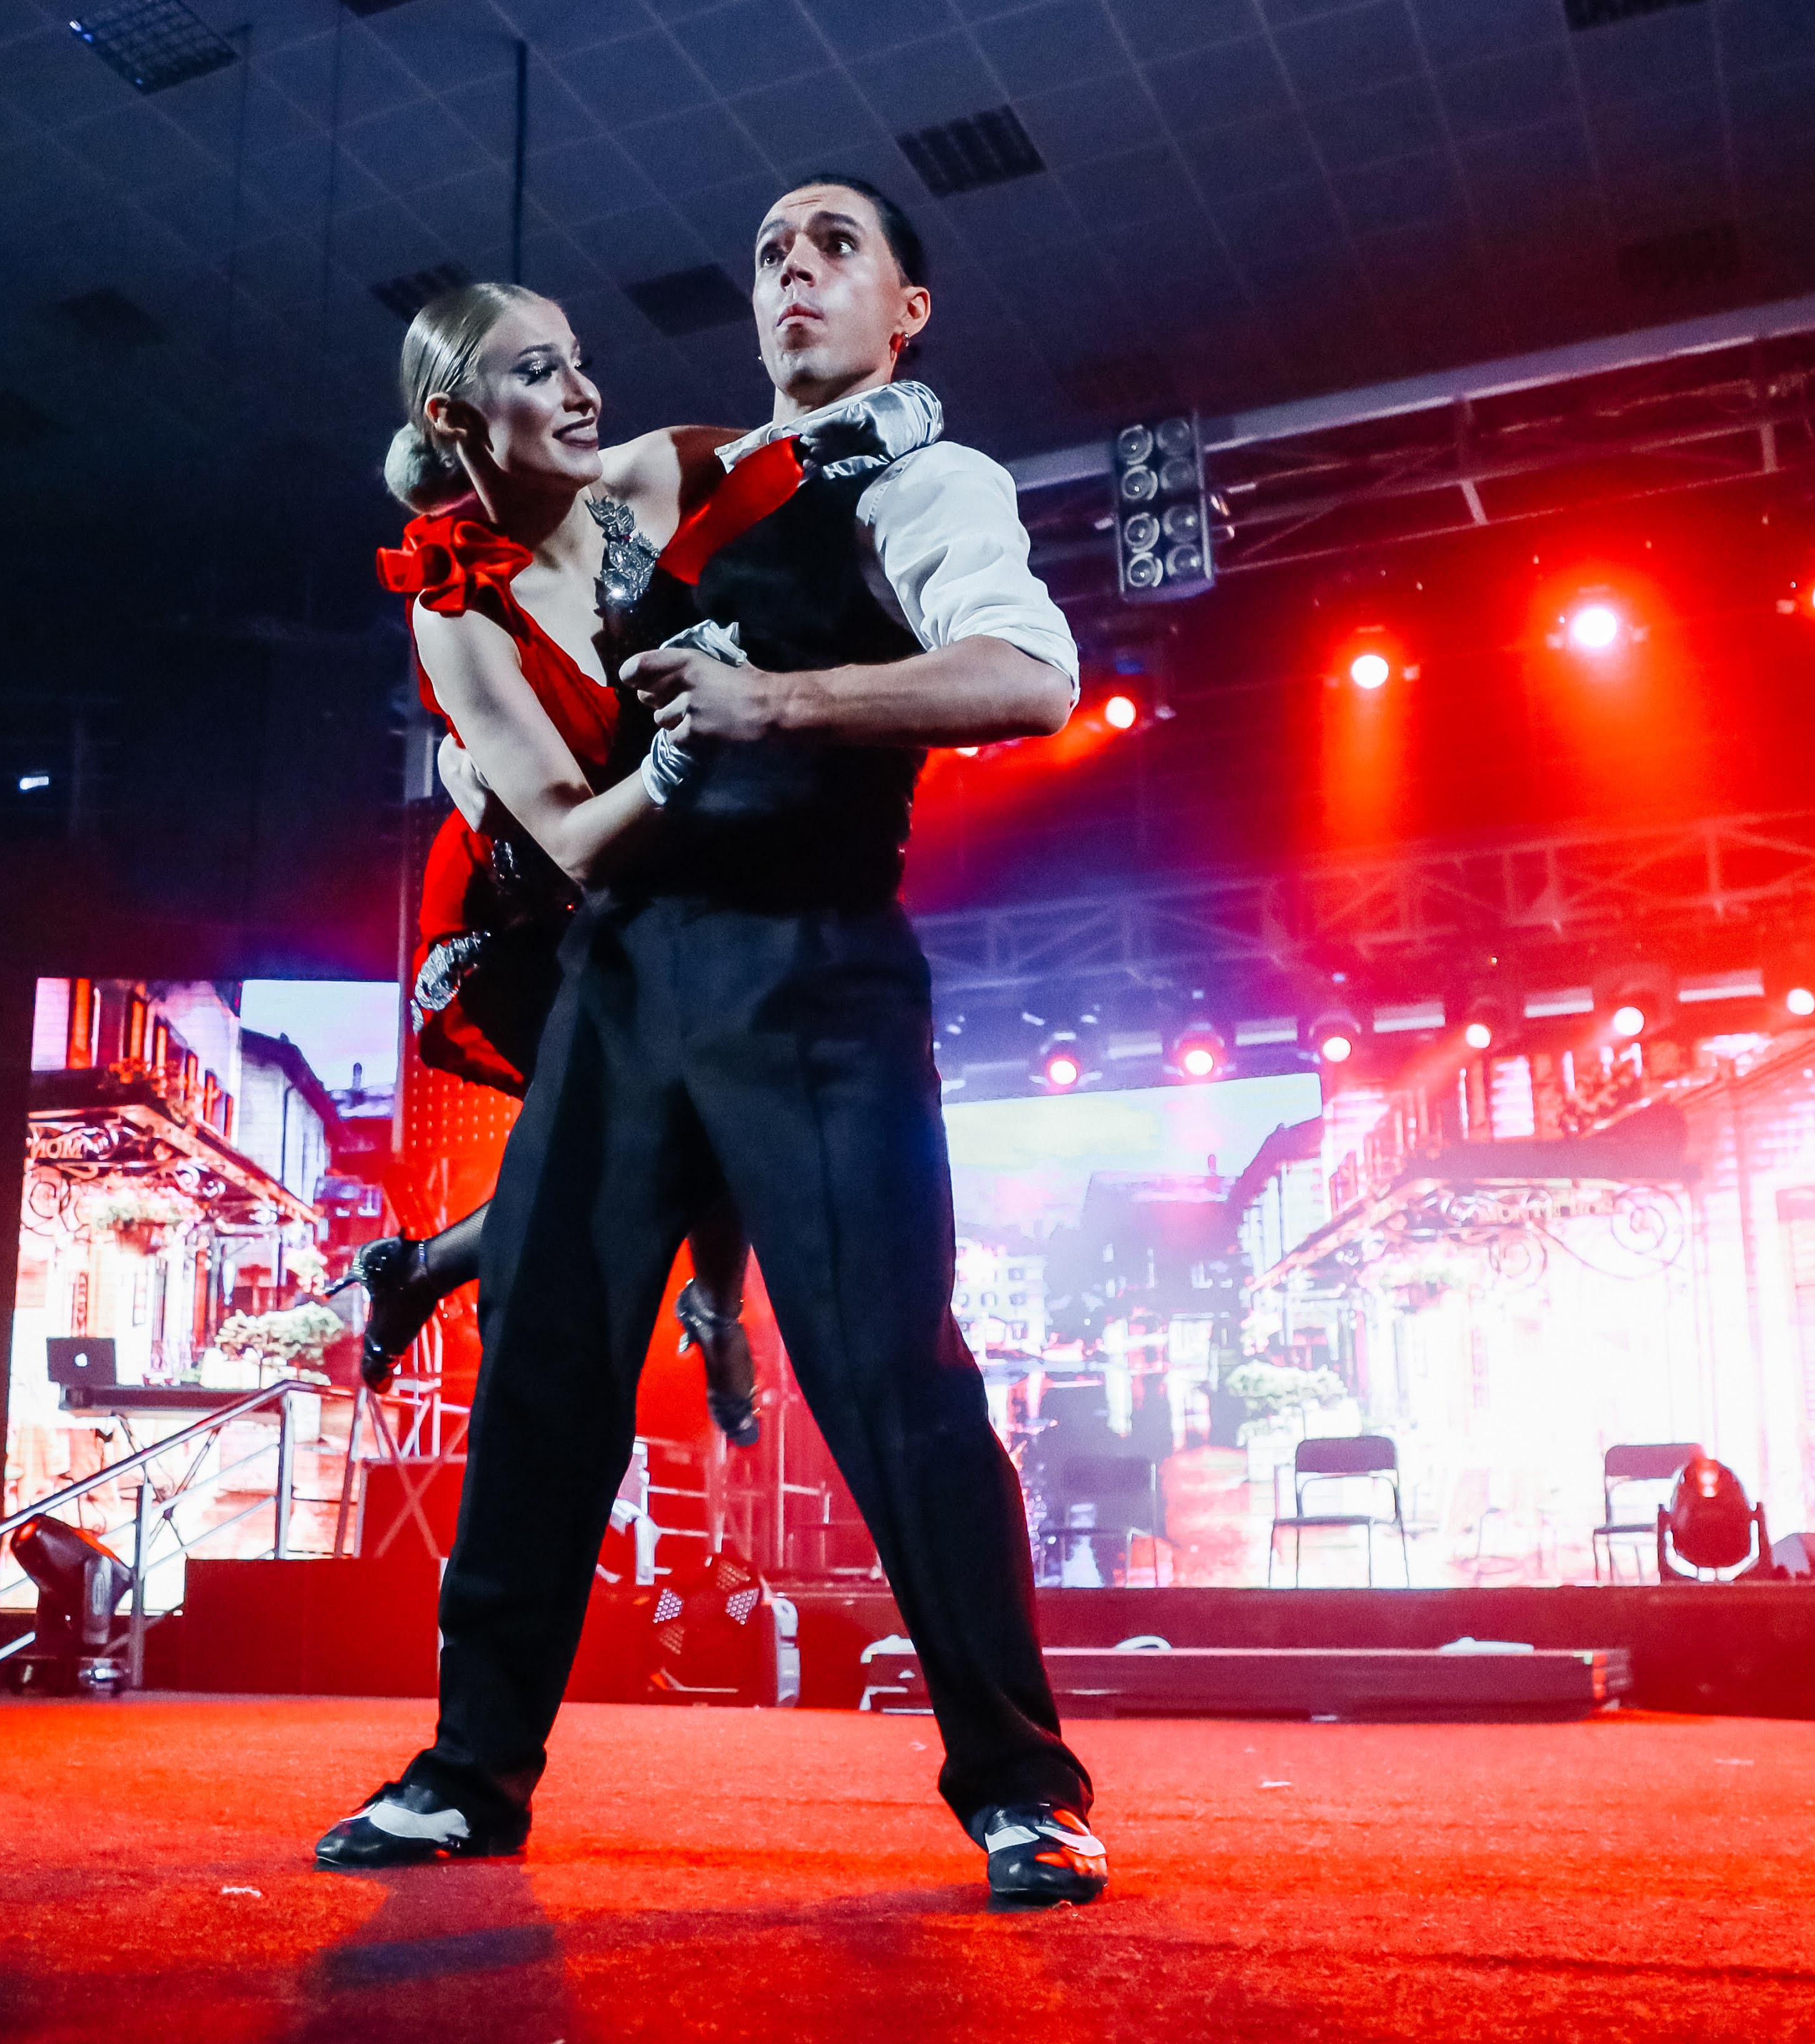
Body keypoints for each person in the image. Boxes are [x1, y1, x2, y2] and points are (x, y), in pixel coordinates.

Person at [316, 175, 1108, 1907]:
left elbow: (1031, 677)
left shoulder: (927, 482)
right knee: (540, 1371)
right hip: (621, 972)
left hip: (812, 963)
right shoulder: (677, 471)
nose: (793, 270)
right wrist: (476, 722)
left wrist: (778, 701)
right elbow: (490, 503)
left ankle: (1022, 1784)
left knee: (893, 1381)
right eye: (768, 252)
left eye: (835, 246)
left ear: (905, 311)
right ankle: (469, 1774)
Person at [350, 282, 770, 1445]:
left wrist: (889, 422)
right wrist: (706, 732)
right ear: (454, 418)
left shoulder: (656, 471)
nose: (585, 392)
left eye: (578, 358)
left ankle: (439, 1269)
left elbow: (813, 458)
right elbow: (576, 838)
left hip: (663, 878)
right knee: (655, 1147)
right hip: (536, 921)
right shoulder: (456, 608)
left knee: (702, 1116)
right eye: (538, 371)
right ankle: (454, 1277)